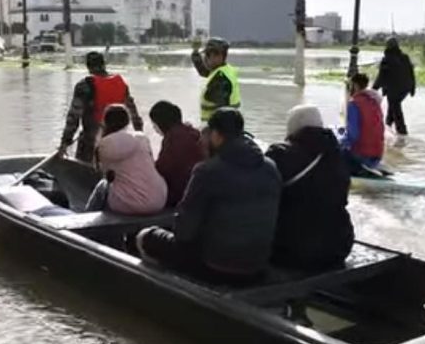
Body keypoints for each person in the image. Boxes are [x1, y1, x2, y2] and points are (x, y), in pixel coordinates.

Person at [137, 108, 281, 285]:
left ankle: (164, 292)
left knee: (145, 237)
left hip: (215, 264)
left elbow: (183, 231)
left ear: (216, 135)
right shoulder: (270, 167)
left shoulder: (207, 171)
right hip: (257, 264)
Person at [266, 105, 354, 271]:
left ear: (292, 127)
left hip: (293, 249)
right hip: (339, 246)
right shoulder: (336, 155)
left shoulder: (280, 155)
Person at [59, 52, 143, 163]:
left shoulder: (84, 86)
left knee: (85, 169)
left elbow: (73, 117)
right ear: (104, 64)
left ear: (88, 66)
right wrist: (140, 134)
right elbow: (134, 113)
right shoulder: (120, 83)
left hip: (92, 141)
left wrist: (65, 142)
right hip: (119, 140)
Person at [85, 105, 167, 215]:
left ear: (105, 122)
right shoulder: (142, 138)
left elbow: (107, 176)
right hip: (159, 199)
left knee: (102, 186)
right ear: (127, 121)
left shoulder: (105, 145)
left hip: (131, 204)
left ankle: (86, 217)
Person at [149, 100, 205, 207]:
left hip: (181, 193)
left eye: (154, 124)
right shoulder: (192, 133)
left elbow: (163, 168)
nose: (154, 128)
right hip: (198, 188)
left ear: (161, 123)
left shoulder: (173, 138)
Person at [340, 73, 386, 173]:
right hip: (378, 154)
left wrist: (338, 143)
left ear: (355, 86)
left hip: (362, 155)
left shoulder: (354, 104)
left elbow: (353, 136)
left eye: (350, 86)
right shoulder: (374, 102)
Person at [191, 37, 241, 123]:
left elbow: (222, 112)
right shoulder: (222, 70)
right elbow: (204, 71)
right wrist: (195, 52)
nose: (205, 58)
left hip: (219, 127)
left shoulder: (221, 78)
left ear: (218, 56)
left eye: (207, 55)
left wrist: (213, 129)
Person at [373, 37, 416, 135]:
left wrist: (373, 89)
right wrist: (413, 88)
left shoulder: (386, 59)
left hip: (394, 88)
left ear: (387, 46)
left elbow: (381, 76)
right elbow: (411, 73)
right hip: (406, 88)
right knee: (393, 106)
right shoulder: (405, 57)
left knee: (395, 108)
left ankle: (402, 132)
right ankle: (388, 125)